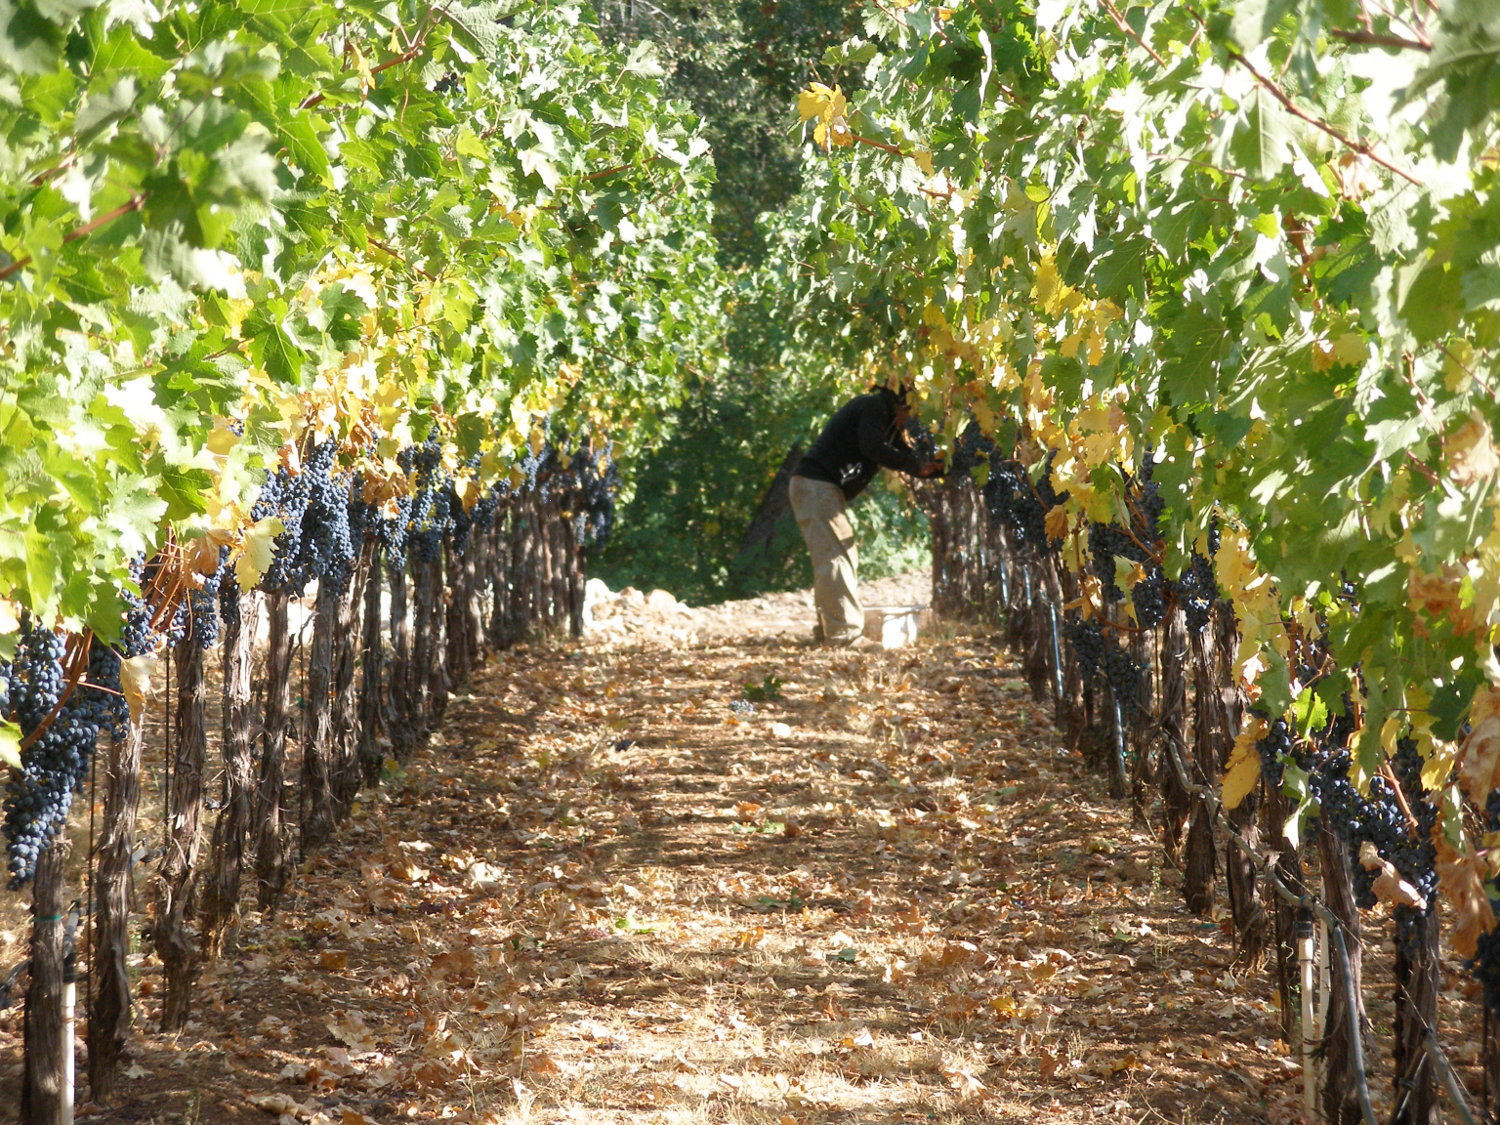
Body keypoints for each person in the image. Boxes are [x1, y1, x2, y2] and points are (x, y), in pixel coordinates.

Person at [788, 384, 943, 647]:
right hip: (817, 488)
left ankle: (828, 630)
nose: (914, 421)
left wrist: (938, 467)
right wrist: (914, 465)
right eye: (914, 412)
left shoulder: (884, 420)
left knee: (838, 556)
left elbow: (904, 456)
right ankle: (845, 636)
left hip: (817, 488)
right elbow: (873, 448)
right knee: (837, 558)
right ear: (902, 404)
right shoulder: (873, 407)